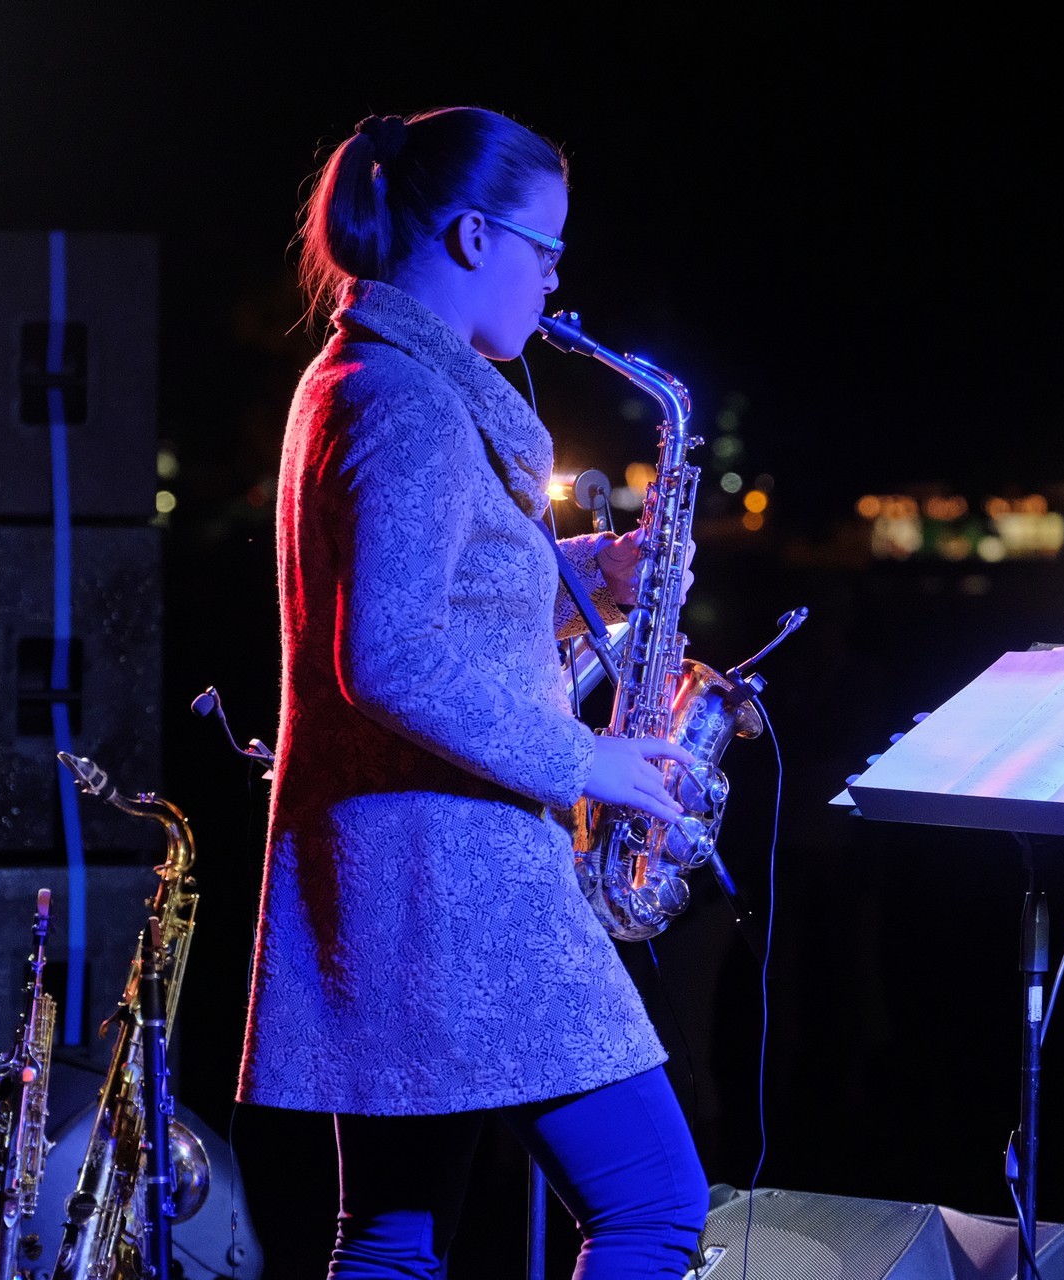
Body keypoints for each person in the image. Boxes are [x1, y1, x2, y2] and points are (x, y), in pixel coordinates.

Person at [237, 106, 710, 1279]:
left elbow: (437, 615)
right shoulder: (403, 399)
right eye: (545, 248)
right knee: (653, 1203)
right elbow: (388, 657)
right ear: (471, 236)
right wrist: (588, 761)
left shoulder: (367, 377)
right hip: (461, 885)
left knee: (391, 1236)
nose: (554, 279)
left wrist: (589, 579)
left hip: (396, 880)